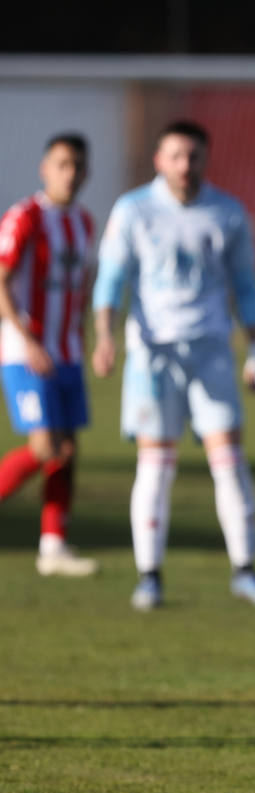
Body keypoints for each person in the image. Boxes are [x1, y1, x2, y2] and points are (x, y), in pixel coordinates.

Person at [91, 119, 255, 611]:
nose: (184, 165)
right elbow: (111, 279)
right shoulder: (133, 210)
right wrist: (105, 338)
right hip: (154, 358)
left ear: (205, 159)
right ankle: (149, 577)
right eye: (175, 156)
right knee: (155, 468)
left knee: (230, 464)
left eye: (193, 156)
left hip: (213, 353)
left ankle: (246, 571)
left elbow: (245, 286)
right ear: (159, 160)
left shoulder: (227, 212)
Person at [0, 133, 101, 577]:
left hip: (68, 351)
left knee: (67, 449)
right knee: (45, 445)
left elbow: (80, 284)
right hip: (26, 352)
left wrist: (85, 334)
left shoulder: (83, 222)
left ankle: (53, 546)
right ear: (45, 168)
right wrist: (28, 339)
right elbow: (1, 280)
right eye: (62, 164)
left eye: (77, 165)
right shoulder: (25, 216)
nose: (70, 173)